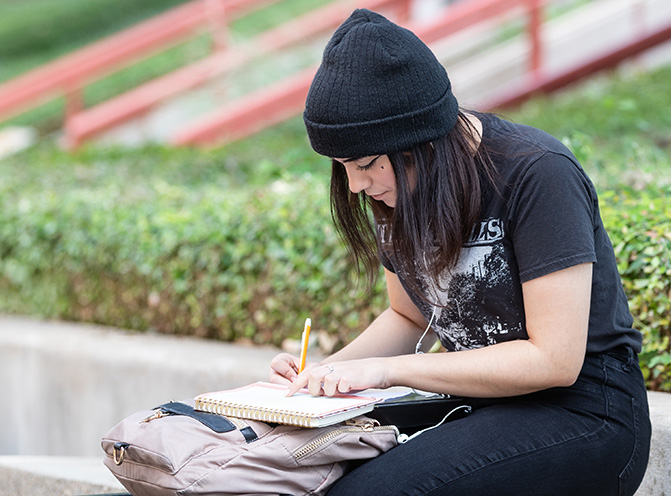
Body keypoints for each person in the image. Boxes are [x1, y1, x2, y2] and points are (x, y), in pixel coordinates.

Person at [268, 9, 650, 495]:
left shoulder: (536, 173)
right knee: (293, 465)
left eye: (365, 164)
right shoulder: (397, 189)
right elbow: (408, 319)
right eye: (342, 166)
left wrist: (386, 373)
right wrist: (321, 377)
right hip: (480, 403)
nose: (356, 185)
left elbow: (554, 359)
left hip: (584, 411)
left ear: (421, 142)